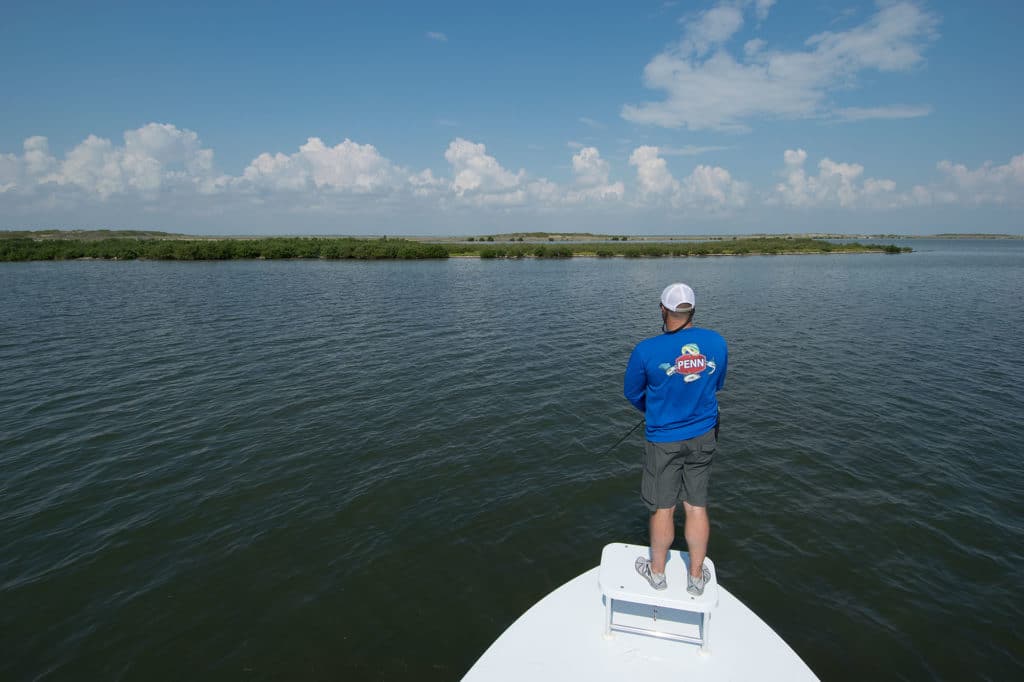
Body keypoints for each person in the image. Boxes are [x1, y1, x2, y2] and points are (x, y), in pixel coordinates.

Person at [623, 282, 728, 595]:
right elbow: (717, 383)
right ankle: (696, 577)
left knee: (663, 508)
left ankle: (657, 573)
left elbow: (632, 393)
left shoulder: (646, 350)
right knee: (696, 506)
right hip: (704, 434)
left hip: (663, 440)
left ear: (662, 309)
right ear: (692, 310)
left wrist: (654, 408)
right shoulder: (717, 342)